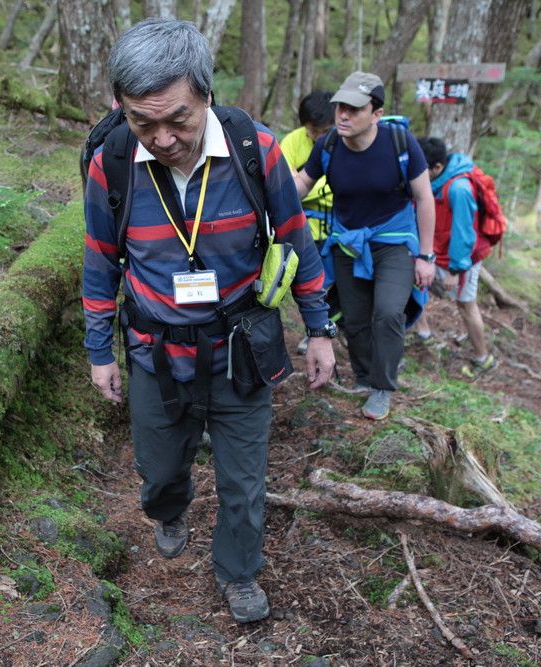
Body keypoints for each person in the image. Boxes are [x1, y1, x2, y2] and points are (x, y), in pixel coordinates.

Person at [82, 18, 336, 624]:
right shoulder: (112, 162)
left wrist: (319, 329)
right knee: (159, 469)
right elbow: (100, 260)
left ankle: (238, 571)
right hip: (154, 350)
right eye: (143, 123)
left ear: (206, 94)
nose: (163, 138)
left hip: (240, 347)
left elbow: (296, 241)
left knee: (244, 482)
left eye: (178, 119)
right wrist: (99, 351)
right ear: (121, 107)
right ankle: (169, 508)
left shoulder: (255, 150)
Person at [294, 71, 435, 421]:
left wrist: (426, 256)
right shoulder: (328, 145)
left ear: (376, 114)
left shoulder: (400, 143)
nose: (343, 115)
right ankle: (364, 377)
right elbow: (302, 183)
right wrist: (268, 192)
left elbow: (424, 198)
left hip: (394, 239)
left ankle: (382, 387)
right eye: (340, 107)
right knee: (355, 318)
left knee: (387, 311)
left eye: (355, 109)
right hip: (348, 241)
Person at [408, 136, 498, 379]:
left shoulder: (458, 188)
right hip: (437, 250)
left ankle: (483, 359)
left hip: (462, 259)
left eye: (423, 170)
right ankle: (423, 334)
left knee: (466, 306)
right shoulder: (435, 182)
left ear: (438, 167)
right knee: (409, 284)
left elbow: (463, 233)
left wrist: (455, 270)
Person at [281, 90, 338, 354]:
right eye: (313, 130)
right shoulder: (292, 141)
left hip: (336, 228)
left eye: (325, 130)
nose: (318, 137)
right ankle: (314, 330)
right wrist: (319, 186)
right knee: (309, 283)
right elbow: (285, 181)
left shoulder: (342, 142)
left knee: (334, 282)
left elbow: (333, 186)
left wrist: (305, 184)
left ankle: (330, 327)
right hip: (303, 228)